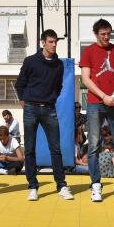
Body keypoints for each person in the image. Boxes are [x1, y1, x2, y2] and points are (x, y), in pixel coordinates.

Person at [15, 29, 74, 201]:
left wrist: (51, 99)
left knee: (56, 149)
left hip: (49, 109)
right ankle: (33, 186)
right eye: (50, 42)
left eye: (55, 42)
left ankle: (61, 185)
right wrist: (25, 102)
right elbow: (20, 84)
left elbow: (58, 87)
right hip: (31, 108)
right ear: (43, 43)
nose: (54, 45)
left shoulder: (59, 65)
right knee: (30, 149)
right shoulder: (30, 61)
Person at [80, 18, 114, 202]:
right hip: (95, 102)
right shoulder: (88, 51)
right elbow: (86, 79)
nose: (107, 37)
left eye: (109, 33)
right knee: (94, 145)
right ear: (96, 34)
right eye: (103, 34)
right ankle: (95, 185)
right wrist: (104, 96)